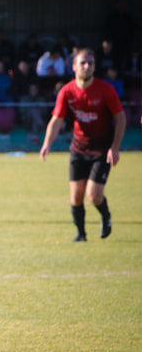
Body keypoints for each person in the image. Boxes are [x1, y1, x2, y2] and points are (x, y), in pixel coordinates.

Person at [39, 48, 126, 242]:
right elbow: (56, 120)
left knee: (93, 196)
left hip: (102, 150)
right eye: (83, 63)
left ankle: (105, 214)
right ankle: (81, 235)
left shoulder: (105, 90)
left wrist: (115, 147)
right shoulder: (67, 91)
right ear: (74, 67)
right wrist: (47, 144)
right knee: (76, 196)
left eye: (91, 63)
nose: (87, 67)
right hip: (78, 148)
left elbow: (120, 118)